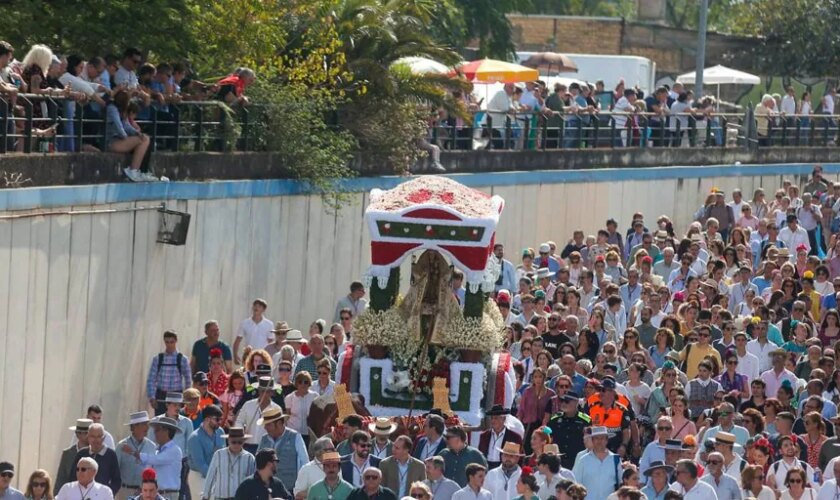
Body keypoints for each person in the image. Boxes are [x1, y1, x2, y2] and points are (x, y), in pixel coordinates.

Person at [123, 417, 183, 500]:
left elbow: (156, 459)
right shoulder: (157, 451)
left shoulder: (174, 450)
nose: (155, 433)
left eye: (157, 430)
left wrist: (134, 453)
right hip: (155, 494)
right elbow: (149, 469)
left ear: (166, 431)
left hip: (169, 494)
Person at [105, 89, 153, 182]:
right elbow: (118, 125)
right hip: (112, 141)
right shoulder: (112, 108)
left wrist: (137, 133)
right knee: (142, 140)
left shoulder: (122, 110)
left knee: (145, 138)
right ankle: (133, 170)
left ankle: (141, 171)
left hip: (120, 139)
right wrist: (126, 137)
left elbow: (126, 125)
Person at [257, 406, 308, 492]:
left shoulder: (295, 437)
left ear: (279, 423)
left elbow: (304, 462)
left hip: (290, 489)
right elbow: (257, 464)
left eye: (268, 424)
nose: (265, 428)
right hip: (267, 490)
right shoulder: (264, 439)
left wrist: (301, 487)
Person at [202, 426, 256, 500]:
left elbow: (251, 482)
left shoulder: (249, 458)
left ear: (243, 442)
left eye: (240, 442)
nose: (237, 445)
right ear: (228, 441)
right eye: (234, 442)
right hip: (220, 498)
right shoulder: (218, 454)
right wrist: (205, 496)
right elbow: (210, 476)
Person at [146, 331, 192, 415]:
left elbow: (188, 380)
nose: (169, 345)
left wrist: (186, 397)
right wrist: (152, 398)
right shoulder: (158, 359)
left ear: (176, 341)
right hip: (161, 396)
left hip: (177, 395)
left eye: (172, 342)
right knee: (160, 423)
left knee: (176, 422)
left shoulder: (182, 359)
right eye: (167, 342)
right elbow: (151, 380)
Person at [572, 426, 623, 500]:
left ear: (606, 440)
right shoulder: (583, 460)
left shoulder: (616, 460)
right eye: (596, 438)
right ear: (592, 440)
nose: (599, 441)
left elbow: (621, 483)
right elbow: (576, 484)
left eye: (602, 438)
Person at [116, 412, 157, 499]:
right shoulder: (121, 446)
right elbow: (115, 470)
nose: (147, 427)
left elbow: (154, 470)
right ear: (134, 427)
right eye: (144, 424)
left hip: (144, 493)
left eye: (147, 424)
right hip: (124, 491)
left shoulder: (152, 446)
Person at [186, 406, 224, 498]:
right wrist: (216, 477)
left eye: (221, 419)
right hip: (198, 476)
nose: (220, 422)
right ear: (207, 419)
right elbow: (200, 464)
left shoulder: (220, 432)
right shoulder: (195, 438)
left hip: (217, 476)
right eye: (217, 419)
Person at [236, 377, 282, 452]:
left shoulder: (277, 409)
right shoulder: (248, 405)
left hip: (267, 447)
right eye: (262, 391)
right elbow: (239, 421)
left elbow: (279, 429)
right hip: (247, 445)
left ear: (272, 392)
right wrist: (240, 433)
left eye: (267, 391)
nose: (264, 394)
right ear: (258, 391)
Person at [74, 423, 122, 495]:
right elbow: (72, 477)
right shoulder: (81, 453)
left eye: (99, 436)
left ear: (104, 438)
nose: (96, 440)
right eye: (93, 436)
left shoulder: (111, 454)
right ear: (88, 437)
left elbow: (117, 481)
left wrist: (106, 494)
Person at [547, 391, 589, 471]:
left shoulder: (585, 421)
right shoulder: (555, 419)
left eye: (567, 401)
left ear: (576, 402)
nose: (563, 403)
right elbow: (548, 438)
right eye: (562, 401)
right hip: (558, 462)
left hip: (577, 462)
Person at [478, 405, 524, 469]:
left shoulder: (514, 437)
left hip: (505, 468)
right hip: (486, 468)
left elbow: (520, 458)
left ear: (504, 419)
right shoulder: (484, 436)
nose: (493, 421)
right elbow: (480, 455)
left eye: (496, 418)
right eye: (492, 418)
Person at [56, 419, 94, 494]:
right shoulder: (68, 454)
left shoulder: (96, 453)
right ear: (78, 434)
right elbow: (61, 479)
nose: (90, 436)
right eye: (87, 433)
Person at [233, 299, 274, 365]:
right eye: (255, 305)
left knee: (262, 375)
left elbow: (271, 342)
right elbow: (237, 340)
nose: (256, 308)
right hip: (249, 357)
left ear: (263, 309)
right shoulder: (244, 323)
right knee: (248, 375)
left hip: (263, 357)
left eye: (259, 306)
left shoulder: (269, 324)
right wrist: (235, 356)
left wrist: (271, 357)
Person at [285, 371, 318, 447]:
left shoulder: (315, 396)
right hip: (294, 433)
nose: (303, 384)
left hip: (309, 434)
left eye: (306, 382)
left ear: (309, 383)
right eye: (300, 382)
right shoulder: (289, 398)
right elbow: (287, 416)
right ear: (296, 383)